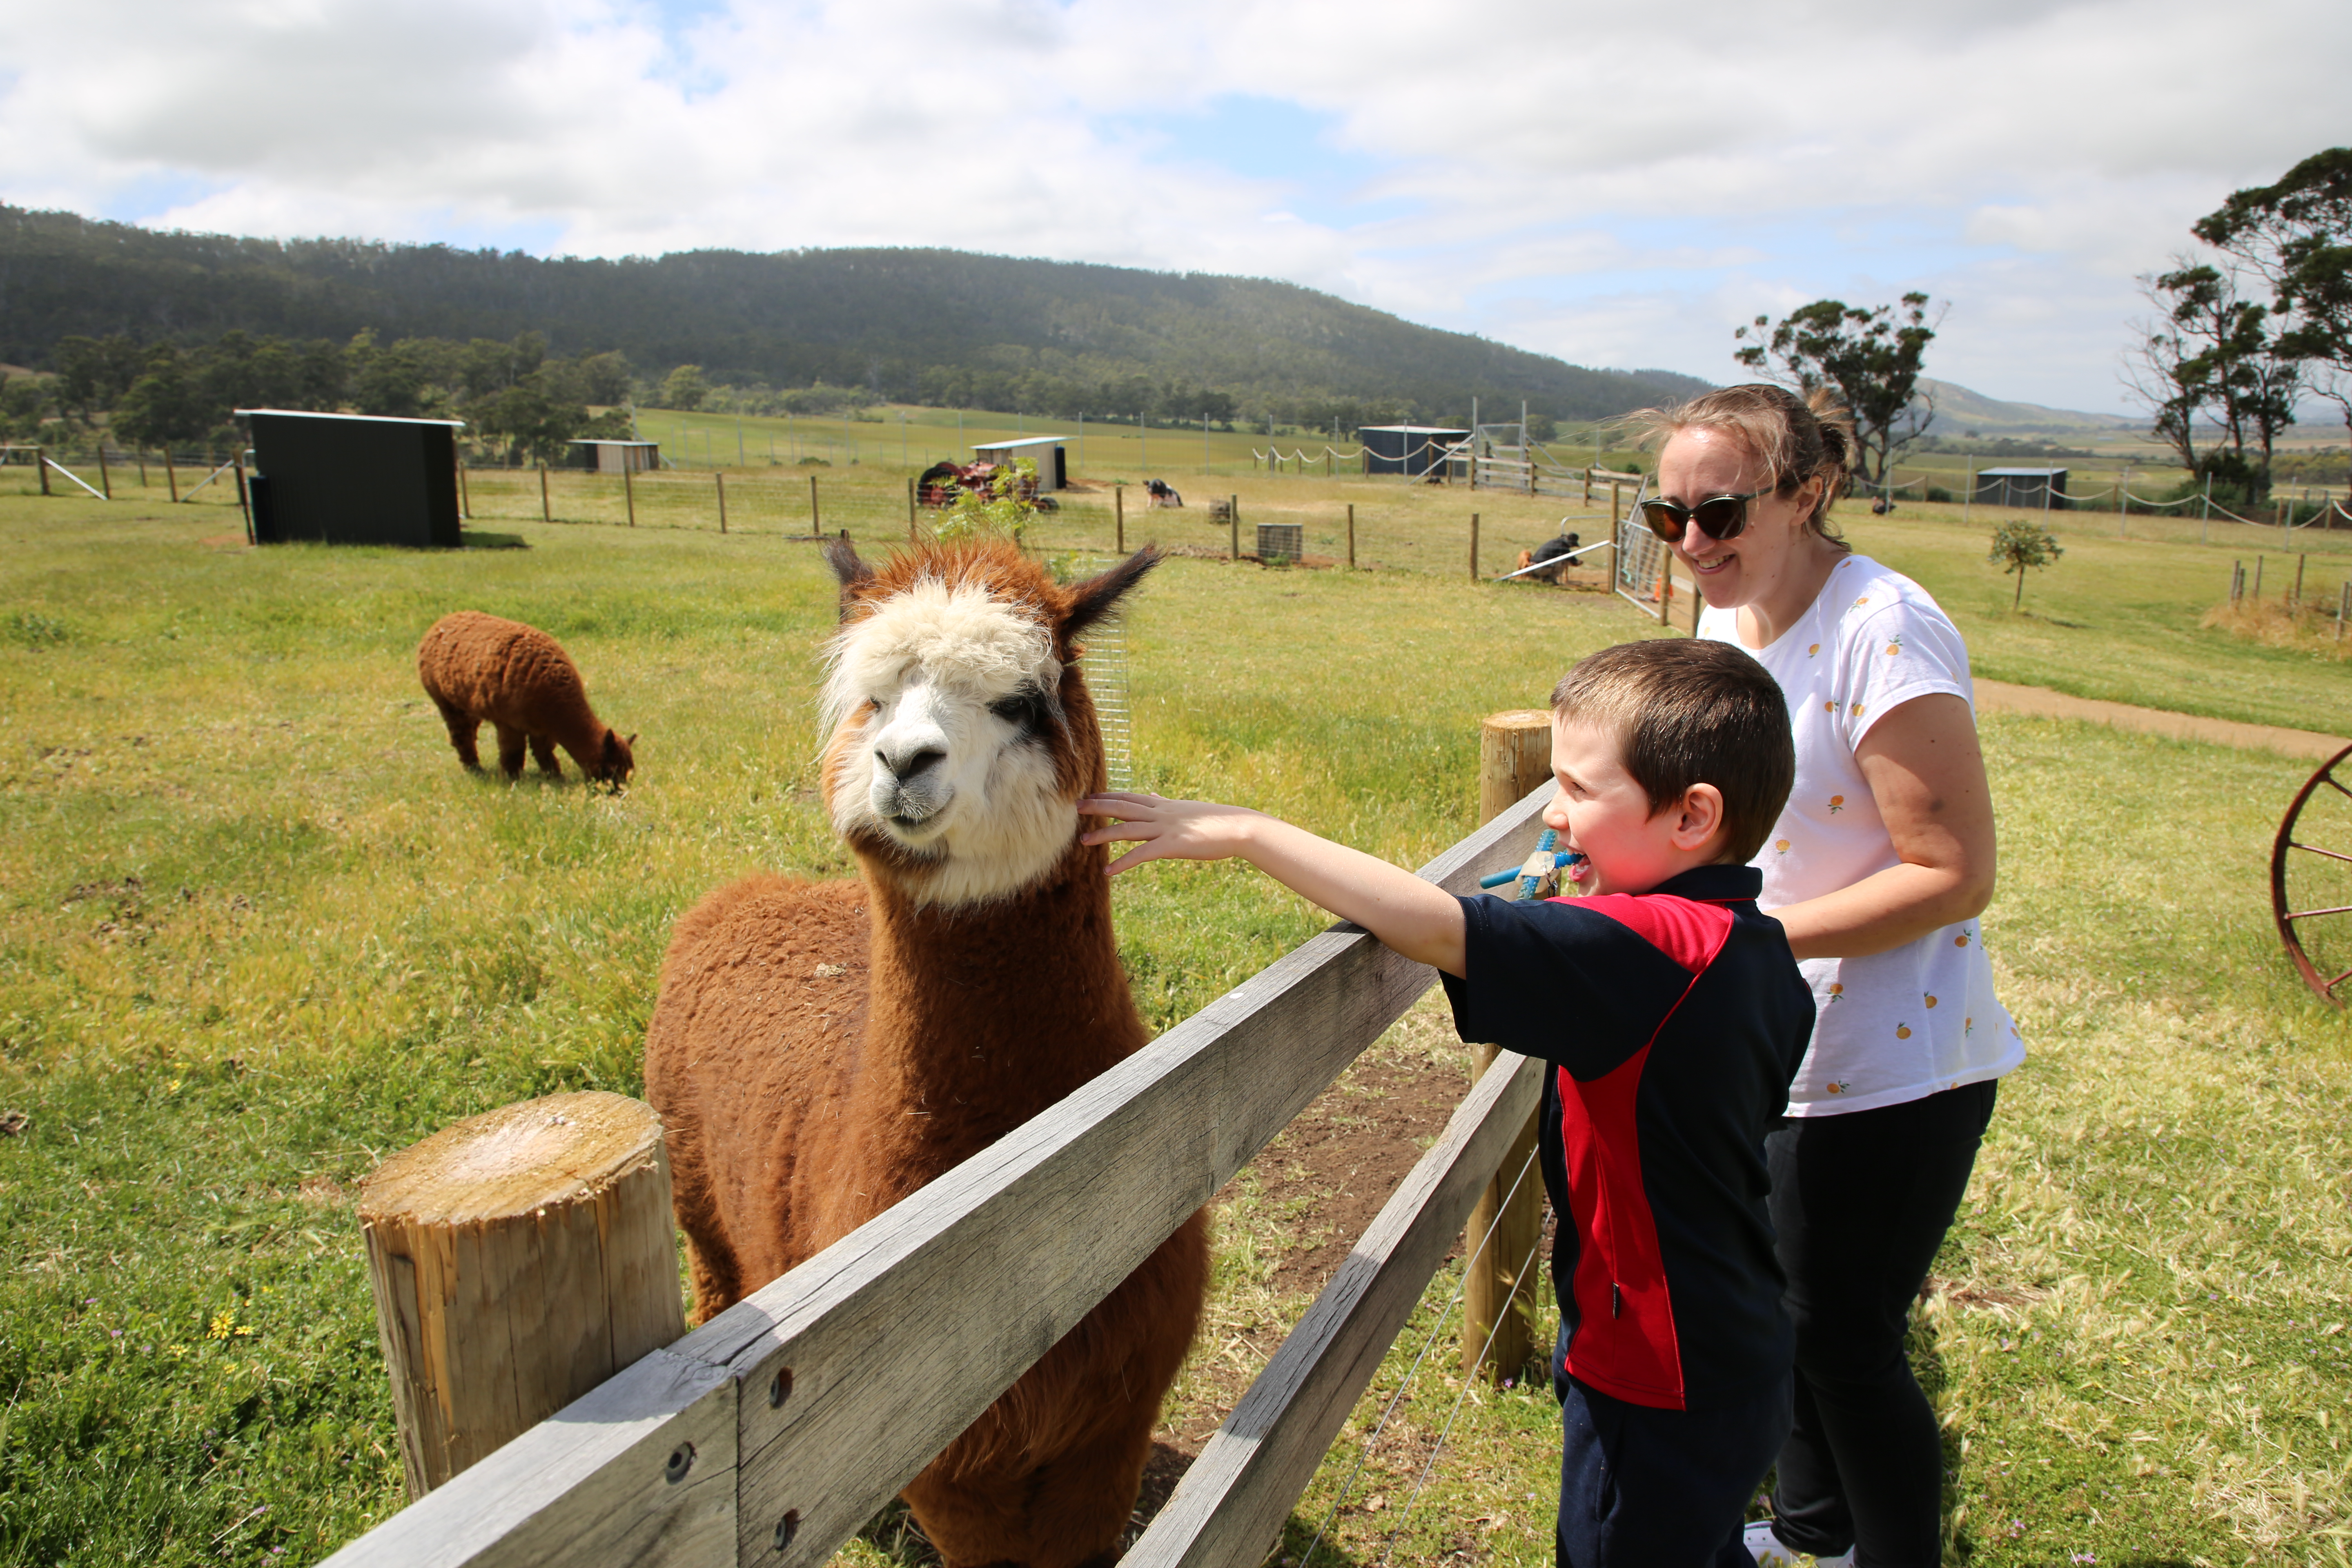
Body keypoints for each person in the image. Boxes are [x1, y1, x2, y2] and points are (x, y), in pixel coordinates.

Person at [1080, 638, 1815, 1568]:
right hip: (1739, 1347)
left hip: (1654, 1373)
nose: (1555, 811)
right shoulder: (1751, 946)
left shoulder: (1648, 947)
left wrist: (1245, 831)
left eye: (1582, 791)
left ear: (1693, 815)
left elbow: (1437, 926)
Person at [1627, 385, 2022, 1568]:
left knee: (1845, 1338)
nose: (1693, 543)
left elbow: (1952, 871)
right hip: (1780, 1044)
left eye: (1722, 510)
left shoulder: (1885, 630)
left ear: (1810, 493)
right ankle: (1812, 1538)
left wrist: (1748, 945)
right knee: (1799, 1321)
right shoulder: (1729, 631)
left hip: (1890, 1065)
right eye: (1668, 516)